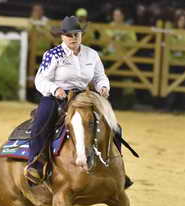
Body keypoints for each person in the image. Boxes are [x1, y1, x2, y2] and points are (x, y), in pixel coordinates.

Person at [25, 16, 131, 187]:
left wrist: (103, 87)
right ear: (62, 37)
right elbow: (41, 80)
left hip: (84, 96)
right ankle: (36, 164)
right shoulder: (53, 54)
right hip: (57, 96)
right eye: (69, 35)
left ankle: (117, 169)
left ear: (81, 35)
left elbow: (100, 76)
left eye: (76, 34)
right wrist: (55, 89)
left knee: (114, 126)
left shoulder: (92, 54)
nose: (73, 38)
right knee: (42, 120)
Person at [165, 13, 185, 112]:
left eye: (184, 20)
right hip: (172, 62)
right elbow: (169, 45)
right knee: (171, 85)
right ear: (176, 21)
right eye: (180, 20)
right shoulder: (171, 32)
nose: (182, 22)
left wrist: (180, 45)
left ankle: (183, 107)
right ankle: (169, 106)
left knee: (183, 86)